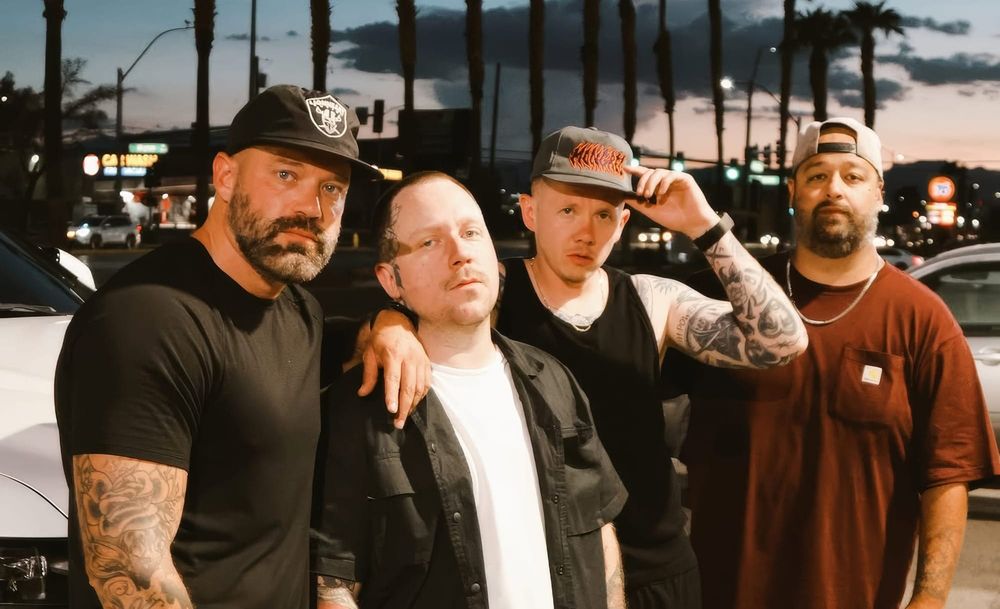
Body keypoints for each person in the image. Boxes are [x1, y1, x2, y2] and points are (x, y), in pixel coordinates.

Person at [54, 85, 424, 609]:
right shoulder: (146, 319)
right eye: (286, 175)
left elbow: (341, 344)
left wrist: (392, 324)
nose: (312, 208)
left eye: (332, 188)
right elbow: (127, 569)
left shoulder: (297, 310)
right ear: (226, 177)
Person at [664, 117, 1000, 609]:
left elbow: (947, 475)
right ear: (793, 191)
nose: (834, 189)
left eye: (853, 176)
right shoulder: (719, 296)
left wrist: (929, 598)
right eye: (817, 175)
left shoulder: (923, 321)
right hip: (718, 592)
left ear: (878, 193)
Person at [312, 171, 629, 609]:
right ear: (391, 280)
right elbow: (334, 581)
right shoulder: (359, 408)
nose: (460, 253)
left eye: (470, 233)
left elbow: (599, 529)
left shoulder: (554, 380)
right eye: (429, 242)